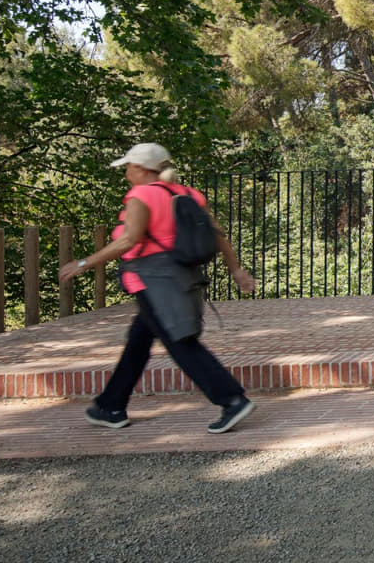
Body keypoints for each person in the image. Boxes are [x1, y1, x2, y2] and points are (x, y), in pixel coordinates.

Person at [60, 142, 259, 433]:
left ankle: (232, 400)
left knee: (181, 343)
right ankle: (110, 406)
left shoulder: (141, 195)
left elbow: (129, 240)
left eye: (128, 167)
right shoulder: (188, 194)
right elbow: (217, 235)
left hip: (154, 282)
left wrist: (83, 263)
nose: (126, 173)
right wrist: (236, 270)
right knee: (138, 342)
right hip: (183, 278)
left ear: (142, 169)